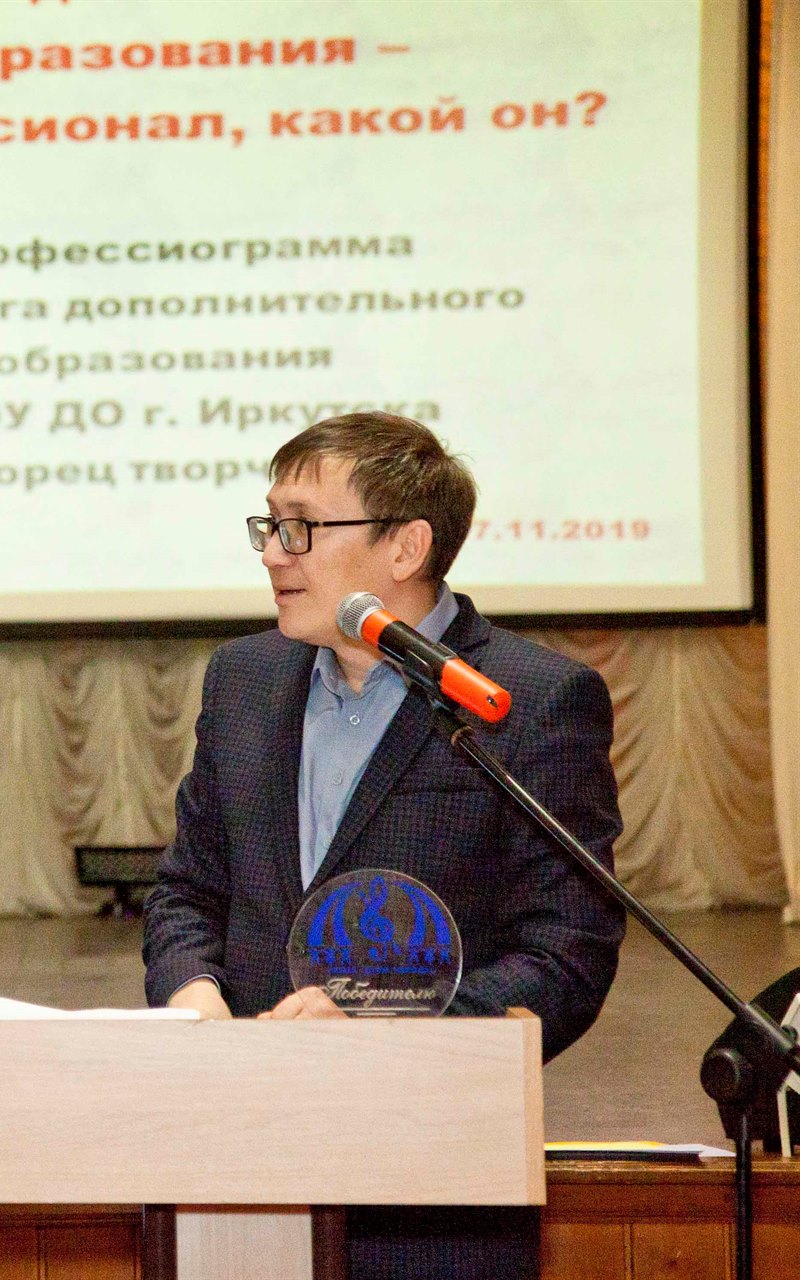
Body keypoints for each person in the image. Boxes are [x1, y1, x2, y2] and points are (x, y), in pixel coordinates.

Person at [142, 413, 625, 1280]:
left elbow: (568, 953)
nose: (273, 553)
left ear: (406, 547)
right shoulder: (244, 679)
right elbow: (188, 889)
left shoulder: (528, 701)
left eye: (301, 527)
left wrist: (386, 1031)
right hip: (234, 1157)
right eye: (269, 525)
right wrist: (193, 997)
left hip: (431, 1188)